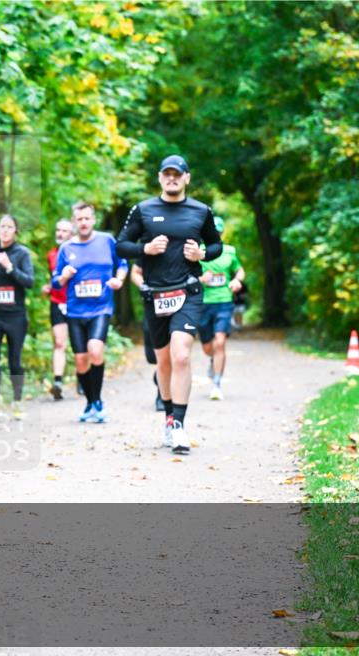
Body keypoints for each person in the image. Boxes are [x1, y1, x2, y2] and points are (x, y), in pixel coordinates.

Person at [116, 155, 223, 454]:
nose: (172, 179)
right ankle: (168, 419)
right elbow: (121, 245)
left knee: (181, 357)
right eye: (167, 174)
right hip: (155, 295)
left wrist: (201, 254)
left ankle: (179, 425)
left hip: (187, 292)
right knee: (163, 363)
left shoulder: (201, 211)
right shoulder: (144, 210)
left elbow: (216, 245)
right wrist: (144, 249)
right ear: (160, 178)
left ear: (187, 178)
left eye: (177, 174)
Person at [53, 201, 128, 423]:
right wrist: (64, 276)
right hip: (75, 311)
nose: (83, 222)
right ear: (75, 222)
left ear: (93, 219)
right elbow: (55, 282)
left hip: (101, 307)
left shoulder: (107, 241)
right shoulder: (66, 248)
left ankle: (97, 401)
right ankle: (90, 403)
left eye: (87, 218)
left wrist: (119, 280)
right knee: (80, 360)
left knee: (95, 350)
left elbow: (122, 264)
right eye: (79, 219)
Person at [0, 214, 35, 422]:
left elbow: (29, 282)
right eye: (2, 226)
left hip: (15, 315)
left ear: (15, 231)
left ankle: (18, 402)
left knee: (14, 359)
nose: (4, 230)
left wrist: (10, 267)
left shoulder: (22, 254)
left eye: (9, 227)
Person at [198, 216, 245, 400]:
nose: (214, 235)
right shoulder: (198, 251)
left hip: (224, 301)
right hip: (203, 303)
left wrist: (236, 280)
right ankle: (212, 360)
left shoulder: (229, 251)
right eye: (211, 232)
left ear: (221, 233)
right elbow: (187, 275)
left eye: (217, 232)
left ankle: (216, 383)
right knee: (208, 347)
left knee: (220, 342)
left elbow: (240, 270)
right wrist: (202, 279)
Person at [42, 219, 75, 399]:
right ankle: (58, 382)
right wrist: (48, 286)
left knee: (81, 345)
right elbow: (54, 277)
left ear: (71, 235)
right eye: (58, 230)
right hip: (57, 301)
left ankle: (83, 379)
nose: (60, 234)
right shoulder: (51, 255)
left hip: (77, 303)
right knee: (60, 342)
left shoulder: (80, 252)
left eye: (65, 231)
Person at [130, 263, 164, 412]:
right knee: (152, 357)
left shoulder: (184, 242)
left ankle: (162, 396)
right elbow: (135, 272)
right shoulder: (150, 244)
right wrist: (144, 286)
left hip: (178, 305)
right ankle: (160, 376)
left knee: (168, 353)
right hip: (153, 304)